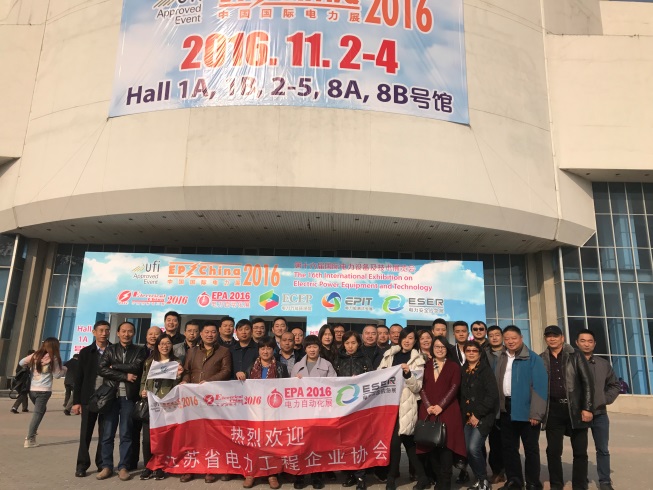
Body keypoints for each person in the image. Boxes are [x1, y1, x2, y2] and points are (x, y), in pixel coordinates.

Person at [540, 325, 593, 490]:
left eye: (555, 336)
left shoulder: (575, 355)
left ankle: (580, 485)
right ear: (545, 339)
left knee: (580, 451)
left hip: (575, 409)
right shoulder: (541, 358)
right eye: (549, 336)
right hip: (553, 410)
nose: (552, 339)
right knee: (553, 451)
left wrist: (587, 408)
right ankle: (556, 484)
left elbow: (587, 382)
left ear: (562, 338)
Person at [495, 325, 548, 490]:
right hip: (506, 409)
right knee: (509, 448)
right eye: (507, 339)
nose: (510, 341)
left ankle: (532, 482)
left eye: (514, 338)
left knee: (531, 448)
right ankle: (514, 481)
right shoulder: (501, 357)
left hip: (527, 410)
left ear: (521, 338)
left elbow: (540, 387)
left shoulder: (532, 358)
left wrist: (536, 413)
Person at [179, 320, 232, 483]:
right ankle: (190, 468)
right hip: (193, 398)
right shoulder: (192, 351)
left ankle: (210, 468)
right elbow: (187, 370)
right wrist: (185, 380)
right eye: (207, 332)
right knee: (192, 434)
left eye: (213, 332)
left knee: (211, 434)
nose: (210, 335)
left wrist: (209, 381)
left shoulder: (224, 351)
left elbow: (226, 371)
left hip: (213, 398)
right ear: (201, 334)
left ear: (217, 334)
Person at [378, 329, 429, 490]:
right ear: (399, 339)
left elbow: (417, 387)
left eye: (411, 338)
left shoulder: (418, 360)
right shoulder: (389, 355)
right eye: (404, 338)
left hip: (406, 405)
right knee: (408, 443)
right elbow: (378, 376)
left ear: (415, 341)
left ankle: (391, 478)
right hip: (389, 405)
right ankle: (423, 477)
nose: (407, 340)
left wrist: (408, 375)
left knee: (395, 442)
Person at [97, 321, 147, 481]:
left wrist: (115, 366)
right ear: (118, 333)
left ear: (134, 333)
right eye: (123, 331)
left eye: (130, 331)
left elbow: (137, 367)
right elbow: (102, 369)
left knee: (126, 433)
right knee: (107, 433)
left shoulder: (139, 350)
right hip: (110, 397)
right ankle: (106, 466)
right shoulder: (110, 350)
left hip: (128, 398)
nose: (126, 334)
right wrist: (124, 376)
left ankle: (123, 467)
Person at [417, 335, 466, 490]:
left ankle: (445, 483)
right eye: (437, 346)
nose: (440, 349)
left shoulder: (453, 366)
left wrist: (441, 405)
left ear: (447, 349)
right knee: (431, 447)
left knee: (446, 448)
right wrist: (428, 405)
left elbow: (454, 387)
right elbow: (420, 387)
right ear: (432, 348)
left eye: (443, 347)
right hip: (429, 410)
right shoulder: (425, 365)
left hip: (448, 410)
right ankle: (439, 480)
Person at [575, 329, 620, 490]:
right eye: (583, 341)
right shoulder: (571, 362)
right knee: (580, 449)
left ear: (594, 344)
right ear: (577, 343)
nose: (586, 344)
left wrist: (604, 399)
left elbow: (615, 385)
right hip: (578, 413)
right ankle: (581, 479)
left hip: (600, 414)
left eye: (590, 341)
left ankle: (605, 481)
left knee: (603, 449)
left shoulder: (603, 364)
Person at [292, 335, 336, 489]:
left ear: (319, 348)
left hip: (320, 412)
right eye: (309, 347)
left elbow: (333, 385)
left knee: (317, 445)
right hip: (301, 412)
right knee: (301, 445)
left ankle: (317, 476)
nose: (312, 350)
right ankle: (299, 476)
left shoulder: (327, 365)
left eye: (315, 347)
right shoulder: (297, 366)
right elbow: (290, 389)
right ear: (305, 349)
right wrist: (295, 381)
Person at [243, 336, 288, 489]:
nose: (266, 351)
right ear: (258, 350)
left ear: (273, 350)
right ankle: (251, 473)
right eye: (262, 348)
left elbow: (286, 387)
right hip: (254, 411)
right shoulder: (250, 368)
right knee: (254, 442)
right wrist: (240, 376)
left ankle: (272, 474)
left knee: (271, 442)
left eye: (269, 348)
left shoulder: (281, 367)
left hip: (273, 411)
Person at [139, 334, 184, 480]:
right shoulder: (149, 361)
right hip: (151, 404)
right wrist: (142, 391)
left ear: (172, 346)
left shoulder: (176, 362)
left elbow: (178, 385)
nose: (165, 346)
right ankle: (148, 466)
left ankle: (160, 467)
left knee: (163, 437)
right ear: (157, 346)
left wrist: (178, 375)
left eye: (168, 343)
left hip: (168, 405)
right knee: (148, 439)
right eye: (162, 343)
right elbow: (143, 380)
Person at [336, 331, 374, 490]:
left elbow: (372, 379)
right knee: (345, 442)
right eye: (347, 343)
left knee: (359, 442)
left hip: (360, 407)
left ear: (358, 343)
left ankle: (360, 476)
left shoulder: (365, 359)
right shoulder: (337, 359)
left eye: (353, 343)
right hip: (342, 407)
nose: (350, 346)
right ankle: (349, 474)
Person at [72, 320, 110, 477]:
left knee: (104, 434)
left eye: (106, 330)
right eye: (100, 330)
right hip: (89, 399)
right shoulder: (86, 352)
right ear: (94, 332)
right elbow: (79, 378)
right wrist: (76, 402)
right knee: (85, 434)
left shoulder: (113, 351)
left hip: (107, 399)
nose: (104, 333)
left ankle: (102, 464)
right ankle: (82, 465)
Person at [460, 340, 499, 490]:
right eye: (468, 350)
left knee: (473, 448)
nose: (471, 353)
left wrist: (477, 414)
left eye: (474, 350)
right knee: (467, 449)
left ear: (479, 353)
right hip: (466, 417)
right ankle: (478, 478)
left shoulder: (485, 370)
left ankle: (483, 480)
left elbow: (492, 395)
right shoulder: (463, 370)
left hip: (482, 417)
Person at [19, 337, 66, 448]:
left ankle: (33, 434)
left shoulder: (35, 356)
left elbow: (21, 362)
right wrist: (64, 369)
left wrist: (30, 366)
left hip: (32, 390)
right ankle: (29, 438)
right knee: (37, 414)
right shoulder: (53, 358)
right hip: (44, 391)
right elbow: (57, 375)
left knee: (41, 410)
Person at [451, 321, 470, 484]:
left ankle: (470, 470)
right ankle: (459, 468)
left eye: (464, 331)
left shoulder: (474, 349)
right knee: (456, 436)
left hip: (472, 400)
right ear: (454, 334)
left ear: (468, 332)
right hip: (454, 400)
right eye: (458, 331)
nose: (461, 333)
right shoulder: (450, 351)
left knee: (470, 438)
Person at [485, 325, 505, 484]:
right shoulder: (484, 354)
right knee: (494, 441)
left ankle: (508, 471)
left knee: (508, 442)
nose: (494, 337)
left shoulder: (510, 353)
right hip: (490, 404)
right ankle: (496, 471)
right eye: (491, 335)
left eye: (497, 334)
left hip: (507, 403)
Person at [10, 349, 35, 414]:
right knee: (23, 393)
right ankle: (14, 407)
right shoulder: (24, 363)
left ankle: (25, 408)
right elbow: (21, 374)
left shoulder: (26, 363)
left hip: (22, 381)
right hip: (21, 382)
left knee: (24, 394)